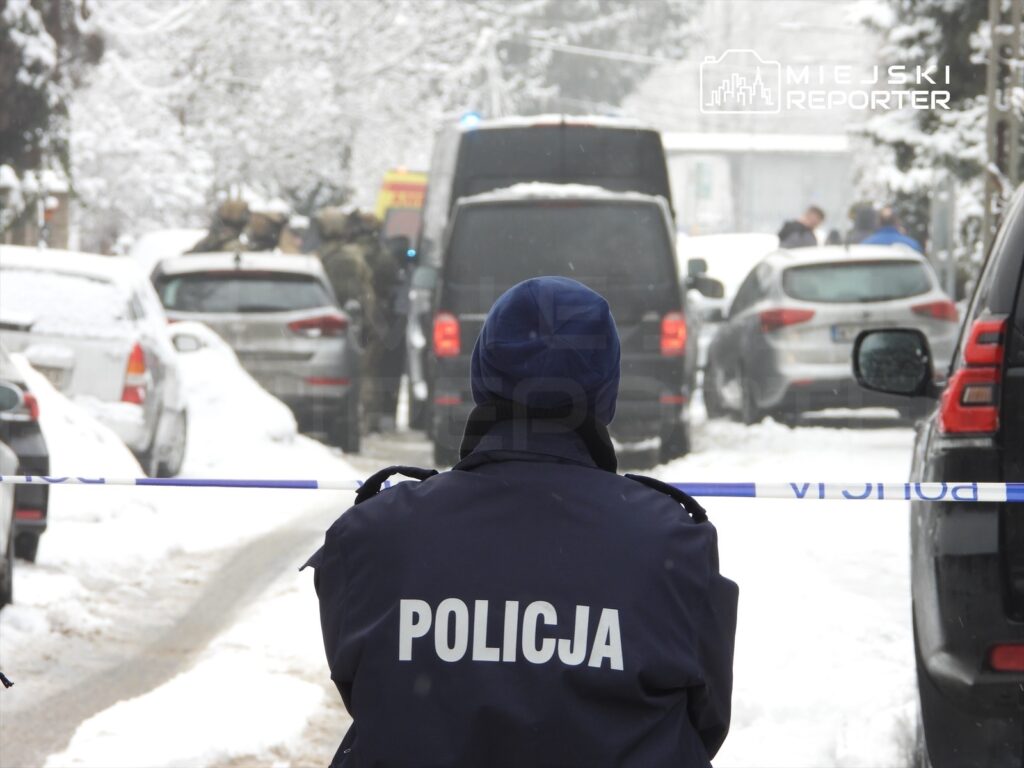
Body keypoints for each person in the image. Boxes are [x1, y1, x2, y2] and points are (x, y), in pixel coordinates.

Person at [305, 276, 738, 767]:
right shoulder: (671, 543)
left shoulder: (376, 533)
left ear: (482, 378)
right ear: (606, 393)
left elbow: (363, 688)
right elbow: (704, 722)